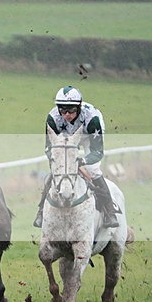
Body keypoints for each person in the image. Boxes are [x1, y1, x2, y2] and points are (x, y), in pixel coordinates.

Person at [32, 85, 119, 228]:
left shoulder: (93, 119)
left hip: (87, 134)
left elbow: (98, 152)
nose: (66, 114)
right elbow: (48, 148)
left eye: (71, 110)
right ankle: (41, 211)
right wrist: (59, 161)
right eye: (63, 110)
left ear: (78, 107)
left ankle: (110, 212)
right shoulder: (53, 118)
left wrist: (82, 161)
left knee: (93, 170)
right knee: (57, 171)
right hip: (65, 137)